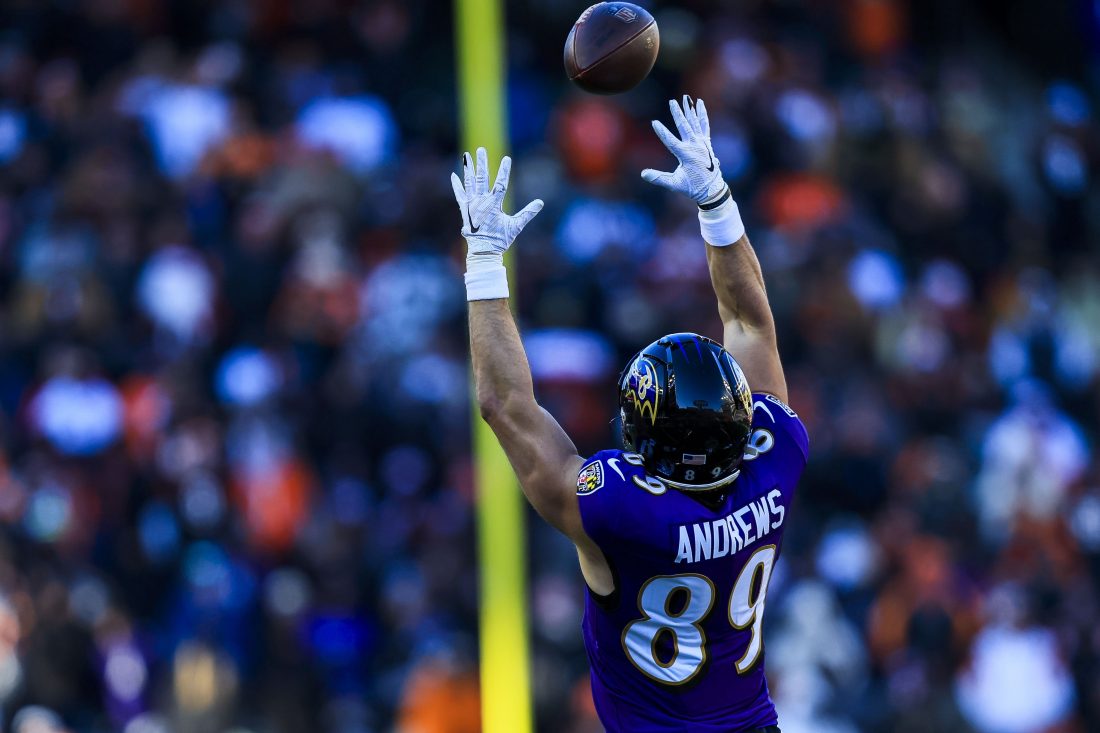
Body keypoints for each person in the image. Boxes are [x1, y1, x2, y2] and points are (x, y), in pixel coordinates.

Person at [451, 96, 809, 733]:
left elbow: (504, 405)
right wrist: (718, 205)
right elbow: (749, 322)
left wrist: (484, 263)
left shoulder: (622, 510)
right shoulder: (777, 456)